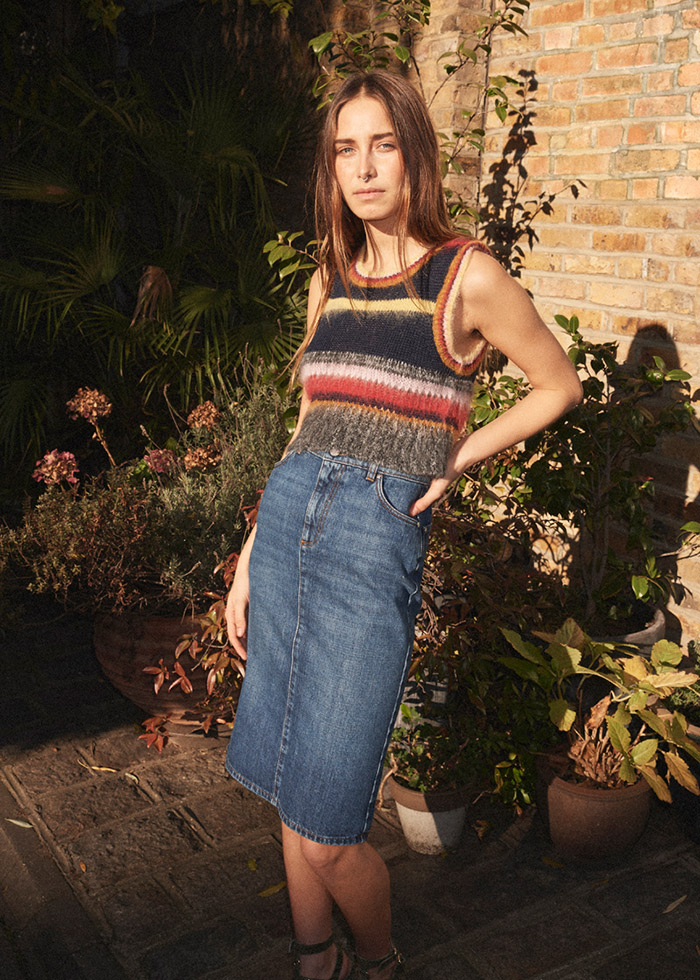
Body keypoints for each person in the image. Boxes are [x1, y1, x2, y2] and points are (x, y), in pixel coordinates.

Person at [224, 69, 582, 980]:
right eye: (346, 149)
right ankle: (318, 964)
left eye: (382, 144)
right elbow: (306, 426)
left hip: (368, 549)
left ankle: (378, 963)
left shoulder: (466, 277)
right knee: (288, 791)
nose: (364, 167)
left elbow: (557, 385)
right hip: (291, 525)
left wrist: (456, 457)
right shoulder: (329, 279)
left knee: (329, 824)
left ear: (414, 152)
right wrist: (251, 555)